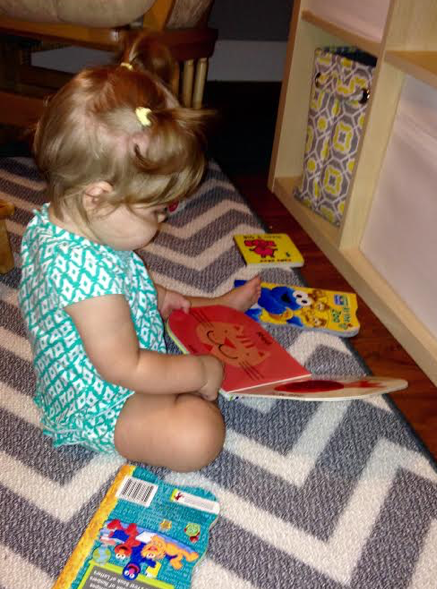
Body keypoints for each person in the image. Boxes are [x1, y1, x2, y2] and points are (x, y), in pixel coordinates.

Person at [19, 34, 261, 472]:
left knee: (162, 302)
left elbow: (124, 282)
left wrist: (159, 296)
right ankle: (183, 371)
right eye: (156, 209)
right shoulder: (79, 269)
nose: (165, 220)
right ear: (98, 196)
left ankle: (214, 308)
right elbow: (125, 367)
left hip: (121, 352)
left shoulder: (71, 223)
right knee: (198, 436)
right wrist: (200, 372)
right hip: (101, 404)